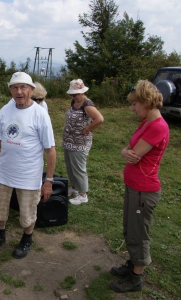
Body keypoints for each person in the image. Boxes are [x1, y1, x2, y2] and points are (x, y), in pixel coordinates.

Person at [0, 72, 56, 259]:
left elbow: (50, 150)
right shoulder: (6, 110)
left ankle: (27, 239)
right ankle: (0, 235)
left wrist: (48, 180)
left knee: (27, 212)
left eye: (23, 87)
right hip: (4, 170)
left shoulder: (40, 114)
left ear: (31, 90)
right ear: (10, 90)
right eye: (15, 87)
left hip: (28, 173)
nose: (19, 91)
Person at [110, 80, 169, 293]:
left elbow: (134, 155)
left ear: (146, 102)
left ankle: (136, 277)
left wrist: (127, 152)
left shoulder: (157, 126)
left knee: (138, 233)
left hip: (144, 190)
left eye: (135, 104)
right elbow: (128, 150)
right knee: (129, 228)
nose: (132, 108)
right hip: (134, 186)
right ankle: (133, 264)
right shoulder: (145, 123)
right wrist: (125, 152)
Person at [63, 79, 104, 205]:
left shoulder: (87, 104)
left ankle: (83, 194)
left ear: (82, 92)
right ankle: (75, 188)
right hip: (69, 141)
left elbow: (99, 119)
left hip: (80, 143)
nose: (73, 97)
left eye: (76, 94)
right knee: (70, 167)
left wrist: (87, 128)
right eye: (72, 94)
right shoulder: (74, 102)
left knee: (79, 168)